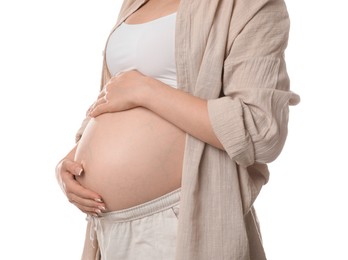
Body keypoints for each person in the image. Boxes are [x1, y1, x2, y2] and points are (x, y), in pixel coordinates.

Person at [55, 0, 300, 259]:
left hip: (179, 221)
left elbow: (260, 130)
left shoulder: (247, 5)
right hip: (106, 227)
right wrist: (70, 162)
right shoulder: (134, 2)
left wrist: (147, 91)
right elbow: (113, 95)